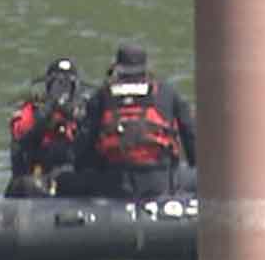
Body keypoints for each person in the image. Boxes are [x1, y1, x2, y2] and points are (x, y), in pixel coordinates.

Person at [70, 43, 196, 199]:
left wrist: (83, 172)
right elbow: (190, 135)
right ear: (146, 68)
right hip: (159, 181)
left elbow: (84, 145)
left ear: (117, 69)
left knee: (64, 179)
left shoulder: (101, 96)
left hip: (113, 183)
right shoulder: (167, 92)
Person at [4, 57, 87, 196]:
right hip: (36, 176)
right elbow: (21, 136)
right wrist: (48, 111)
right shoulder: (32, 110)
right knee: (29, 185)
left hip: (70, 176)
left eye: (68, 83)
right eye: (58, 83)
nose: (63, 89)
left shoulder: (85, 112)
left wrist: (74, 116)